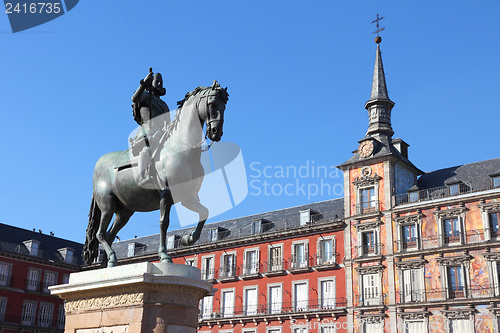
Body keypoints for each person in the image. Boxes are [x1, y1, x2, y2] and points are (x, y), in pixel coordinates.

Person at [131, 69, 170, 187]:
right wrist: (143, 84)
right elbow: (135, 98)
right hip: (147, 131)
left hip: (161, 133)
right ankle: (142, 177)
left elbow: (167, 122)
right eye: (157, 81)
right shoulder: (145, 95)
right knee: (147, 149)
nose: (160, 84)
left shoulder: (164, 105)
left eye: (161, 82)